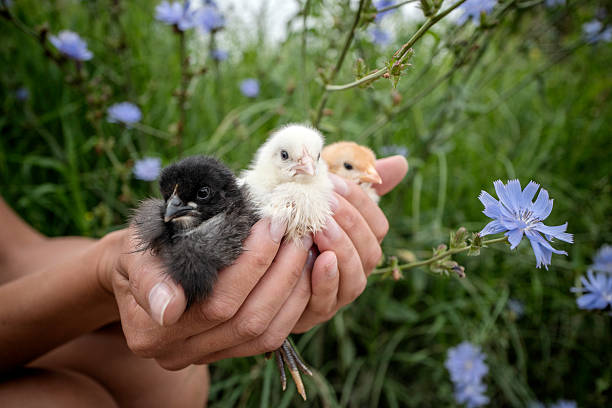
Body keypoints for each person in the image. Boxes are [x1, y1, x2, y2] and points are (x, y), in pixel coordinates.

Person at [0, 156, 408, 407]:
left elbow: (16, 253)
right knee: (70, 402)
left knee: (165, 384)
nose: (172, 206)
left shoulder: (239, 211)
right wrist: (102, 276)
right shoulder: (175, 223)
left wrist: (111, 282)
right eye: (170, 197)